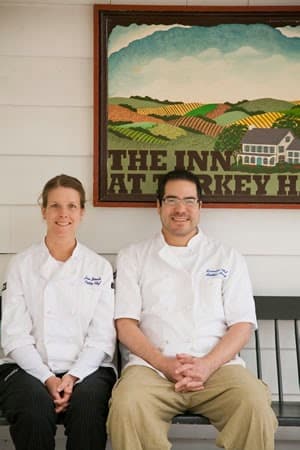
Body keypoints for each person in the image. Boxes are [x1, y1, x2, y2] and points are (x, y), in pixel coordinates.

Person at [107, 169, 277, 450]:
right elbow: (125, 324)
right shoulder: (133, 256)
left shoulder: (227, 256)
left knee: (254, 405)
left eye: (189, 200)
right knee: (126, 407)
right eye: (171, 200)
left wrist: (206, 365)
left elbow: (242, 324)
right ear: (158, 205)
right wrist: (165, 364)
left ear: (200, 206)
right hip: (152, 369)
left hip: (218, 368)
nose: (180, 209)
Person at [0, 174, 116, 450]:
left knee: (88, 411)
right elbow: (15, 335)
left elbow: (101, 337)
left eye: (72, 206)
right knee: (33, 410)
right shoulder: (21, 264)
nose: (63, 214)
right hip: (26, 367)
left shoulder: (97, 267)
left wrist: (72, 377)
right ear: (43, 211)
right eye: (55, 206)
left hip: (89, 370)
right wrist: (47, 378)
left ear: (82, 212)